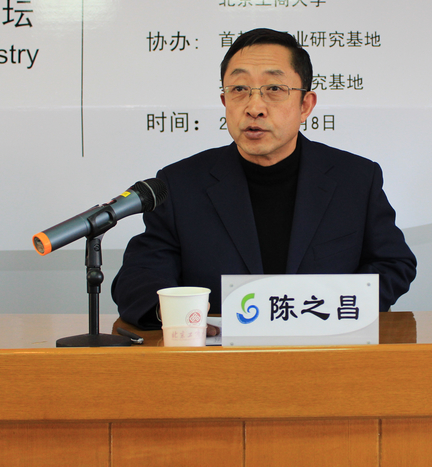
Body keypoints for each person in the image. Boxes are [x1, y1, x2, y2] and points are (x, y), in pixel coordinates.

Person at [112, 28, 416, 329]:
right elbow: (138, 277)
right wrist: (175, 314)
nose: (254, 108)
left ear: (305, 105)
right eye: (239, 89)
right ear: (225, 102)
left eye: (274, 89)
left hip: (325, 348)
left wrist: (336, 310)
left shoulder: (356, 179)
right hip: (219, 355)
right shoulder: (180, 184)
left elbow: (393, 263)